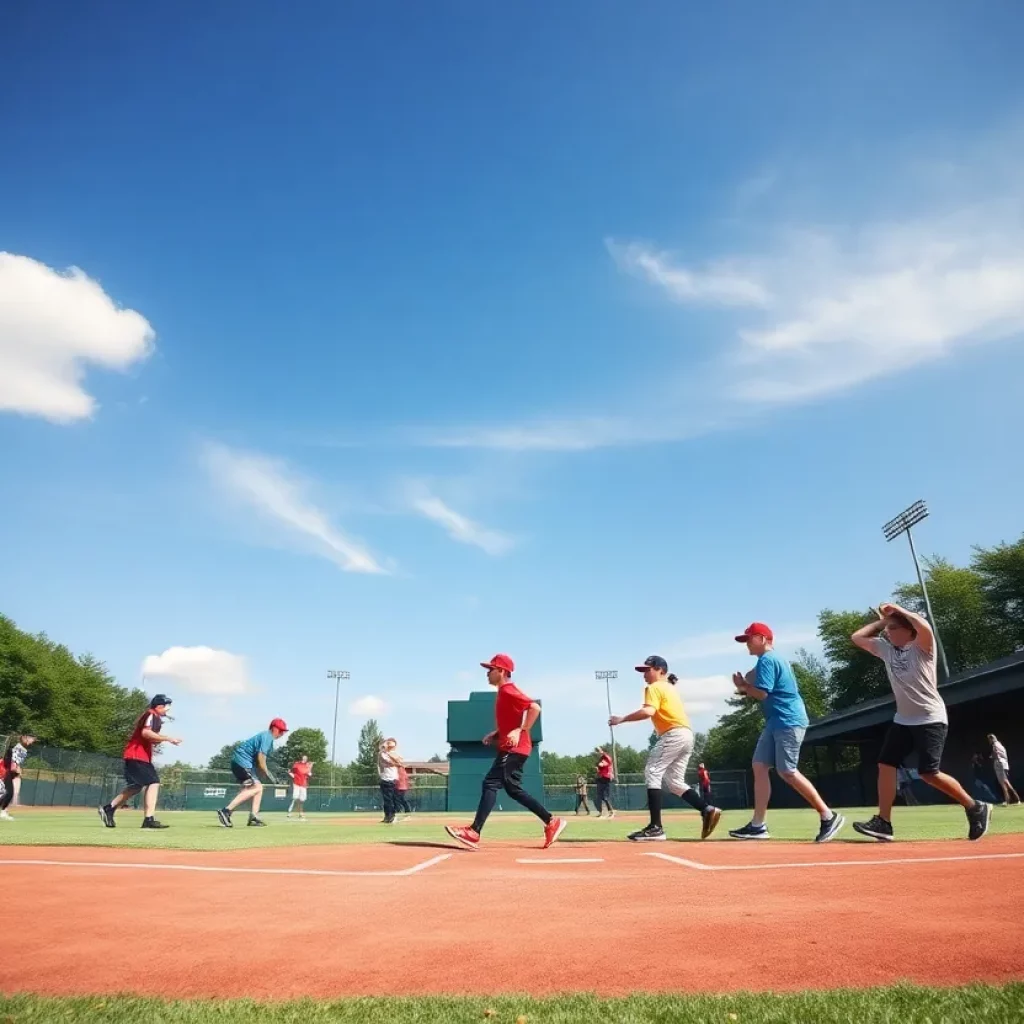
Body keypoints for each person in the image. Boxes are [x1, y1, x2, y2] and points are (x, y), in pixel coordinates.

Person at [850, 604, 990, 841]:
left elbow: (923, 626)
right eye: (888, 629)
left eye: (894, 628)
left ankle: (975, 806)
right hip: (903, 720)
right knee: (886, 764)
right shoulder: (887, 650)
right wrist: (885, 621)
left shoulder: (922, 648)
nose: (887, 633)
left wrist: (899, 610)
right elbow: (857, 637)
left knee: (928, 773)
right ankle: (883, 822)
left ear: (909, 631)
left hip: (930, 718)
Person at [729, 624, 845, 843]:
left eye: (749, 639)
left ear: (762, 639)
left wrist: (744, 687)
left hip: (788, 720)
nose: (746, 644)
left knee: (787, 771)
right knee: (759, 765)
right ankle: (757, 826)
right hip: (776, 721)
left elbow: (762, 694)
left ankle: (828, 816)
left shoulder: (768, 660)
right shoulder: (768, 661)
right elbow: (760, 690)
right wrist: (745, 686)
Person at [445, 654, 566, 851]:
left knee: (491, 783)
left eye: (490, 669)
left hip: (514, 748)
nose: (487, 673)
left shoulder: (509, 690)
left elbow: (534, 708)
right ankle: (551, 821)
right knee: (513, 790)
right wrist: (497, 733)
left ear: (501, 671)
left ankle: (474, 832)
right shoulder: (503, 693)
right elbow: (514, 719)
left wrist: (521, 730)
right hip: (512, 748)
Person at [609, 655, 720, 842]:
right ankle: (707, 809)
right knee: (674, 782)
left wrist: (622, 719)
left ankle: (655, 828)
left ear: (660, 670)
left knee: (652, 771)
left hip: (673, 734)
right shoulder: (668, 687)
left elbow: (648, 711)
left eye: (648, 669)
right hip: (686, 734)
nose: (644, 674)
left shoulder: (654, 687)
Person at [98, 696, 182, 830]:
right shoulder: (151, 714)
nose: (168, 708)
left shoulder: (155, 718)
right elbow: (146, 733)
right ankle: (149, 819)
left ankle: (109, 809)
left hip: (137, 756)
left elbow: (150, 737)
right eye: (167, 705)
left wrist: (159, 739)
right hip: (137, 756)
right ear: (159, 706)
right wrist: (168, 738)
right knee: (153, 782)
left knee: (136, 786)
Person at [217, 718, 288, 828]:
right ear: (274, 728)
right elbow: (261, 758)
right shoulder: (267, 736)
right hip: (241, 761)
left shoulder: (268, 740)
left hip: (243, 763)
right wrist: (271, 776)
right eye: (280, 730)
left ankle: (254, 817)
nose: (282, 733)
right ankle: (226, 811)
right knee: (257, 787)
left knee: (257, 788)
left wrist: (263, 775)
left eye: (284, 731)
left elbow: (259, 762)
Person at [0, 733, 37, 820]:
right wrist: (16, 768)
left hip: (6, 770)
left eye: (33, 740)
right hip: (4, 770)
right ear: (25, 738)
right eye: (31, 739)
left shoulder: (23, 750)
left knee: (6, 793)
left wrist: (17, 769)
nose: (32, 742)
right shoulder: (18, 748)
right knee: (9, 792)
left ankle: (3, 811)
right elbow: (11, 760)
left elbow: (15, 762)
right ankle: (3, 812)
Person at [988, 733, 1020, 806]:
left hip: (999, 764)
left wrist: (992, 757)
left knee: (1003, 784)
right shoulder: (1000, 745)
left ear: (991, 739)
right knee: (1006, 783)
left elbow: (996, 754)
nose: (989, 741)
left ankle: (1007, 801)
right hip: (1004, 764)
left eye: (989, 739)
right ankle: (1016, 799)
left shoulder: (995, 745)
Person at [378, 738, 402, 824]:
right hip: (385, 778)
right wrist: (396, 762)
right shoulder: (382, 754)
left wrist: (394, 757)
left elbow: (400, 761)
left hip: (393, 779)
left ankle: (391, 816)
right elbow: (388, 762)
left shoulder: (393, 754)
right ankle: (388, 816)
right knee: (387, 799)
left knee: (391, 799)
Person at [286, 754, 313, 820]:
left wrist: (310, 769)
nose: (304, 759)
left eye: (305, 758)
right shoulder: (296, 764)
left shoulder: (307, 766)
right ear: (301, 758)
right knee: (295, 797)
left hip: (303, 784)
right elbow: (292, 772)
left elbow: (309, 774)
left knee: (302, 799)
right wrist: (290, 773)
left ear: (306, 759)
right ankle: (290, 812)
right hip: (296, 783)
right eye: (303, 758)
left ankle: (300, 812)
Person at [594, 748, 615, 818]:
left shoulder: (607, 758)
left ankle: (611, 812)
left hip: (606, 778)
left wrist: (600, 750)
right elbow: (600, 768)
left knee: (605, 797)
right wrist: (597, 771)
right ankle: (601, 812)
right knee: (599, 796)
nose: (598, 753)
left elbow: (603, 763)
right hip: (600, 778)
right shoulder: (600, 759)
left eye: (599, 752)